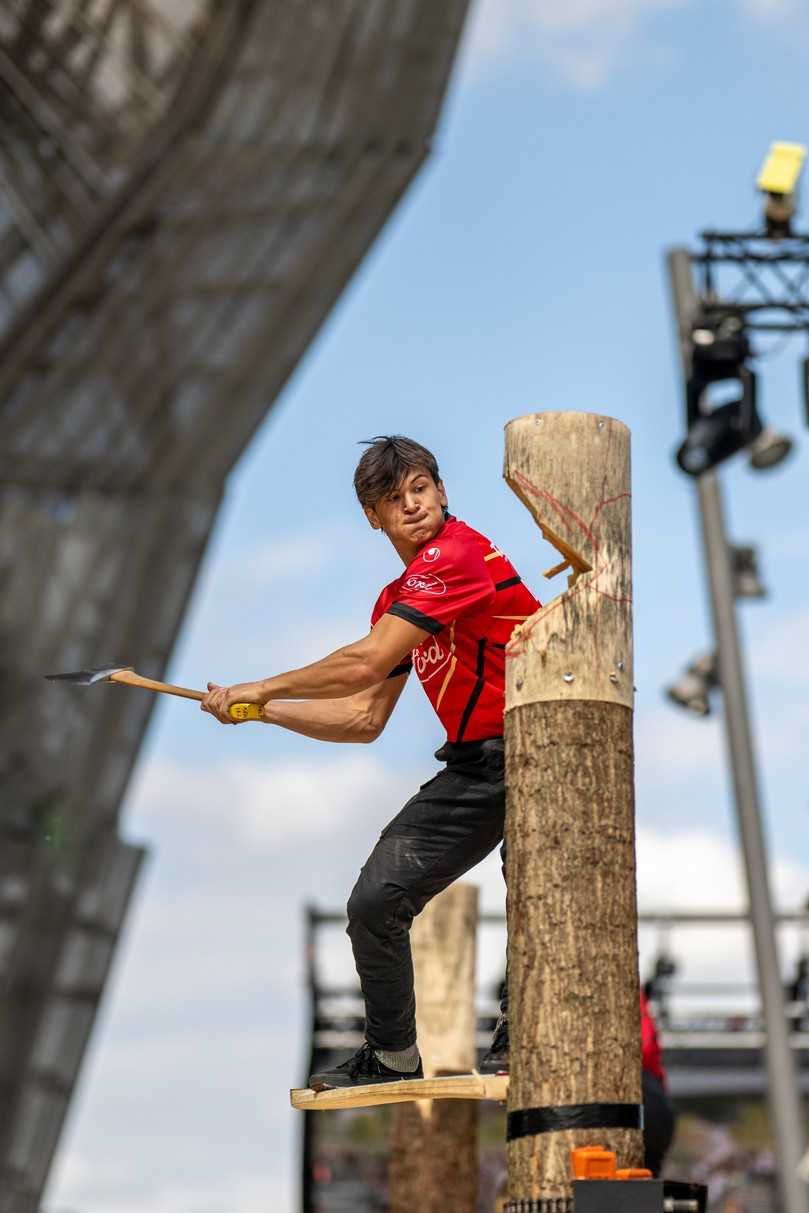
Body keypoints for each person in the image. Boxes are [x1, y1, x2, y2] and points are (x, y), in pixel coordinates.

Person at [201, 435, 539, 1088]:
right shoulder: (397, 599)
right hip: (476, 765)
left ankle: (526, 1035)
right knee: (374, 903)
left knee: (534, 893)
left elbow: (365, 661)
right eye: (393, 498)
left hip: (537, 751)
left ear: (441, 490)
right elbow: (363, 717)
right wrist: (263, 711)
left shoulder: (458, 555)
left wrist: (262, 686)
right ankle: (391, 1058)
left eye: (420, 488)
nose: (411, 505)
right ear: (372, 517)